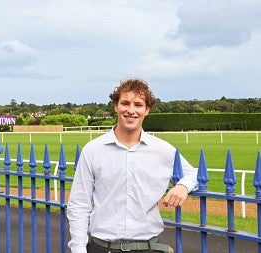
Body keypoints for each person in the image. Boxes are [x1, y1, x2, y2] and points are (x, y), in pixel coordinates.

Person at [67, 78, 198, 253]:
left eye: (138, 104)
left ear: (147, 109)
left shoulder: (163, 150)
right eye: (125, 103)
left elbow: (195, 173)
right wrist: (78, 249)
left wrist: (183, 186)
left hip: (148, 247)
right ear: (116, 106)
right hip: (102, 247)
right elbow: (79, 203)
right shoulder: (93, 150)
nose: (131, 110)